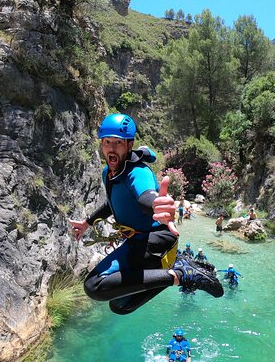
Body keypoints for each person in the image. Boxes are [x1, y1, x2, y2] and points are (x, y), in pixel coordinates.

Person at [69, 114, 223, 315]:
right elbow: (113, 203)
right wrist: (87, 222)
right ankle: (179, 266)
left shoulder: (138, 172)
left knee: (94, 287)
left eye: (118, 142)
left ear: (129, 144)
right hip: (140, 243)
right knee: (121, 304)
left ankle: (183, 273)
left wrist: (157, 205)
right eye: (107, 142)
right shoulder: (108, 172)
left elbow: (146, 197)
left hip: (156, 239)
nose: (111, 148)